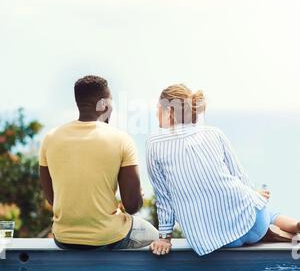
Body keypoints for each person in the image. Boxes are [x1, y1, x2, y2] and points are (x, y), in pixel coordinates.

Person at [147, 83, 300, 256]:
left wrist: (165, 238)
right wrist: (252, 193)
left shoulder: (154, 145)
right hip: (256, 222)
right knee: (262, 209)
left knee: (250, 208)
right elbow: (238, 175)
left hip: (216, 240)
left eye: (158, 108)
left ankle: (274, 231)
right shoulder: (214, 133)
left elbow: (164, 199)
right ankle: (293, 226)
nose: (156, 113)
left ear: (170, 111)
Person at [39, 75, 158, 249]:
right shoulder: (121, 139)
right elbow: (132, 206)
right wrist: (138, 195)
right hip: (109, 237)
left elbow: (52, 199)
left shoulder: (50, 138)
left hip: (64, 239)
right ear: (103, 104)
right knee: (158, 237)